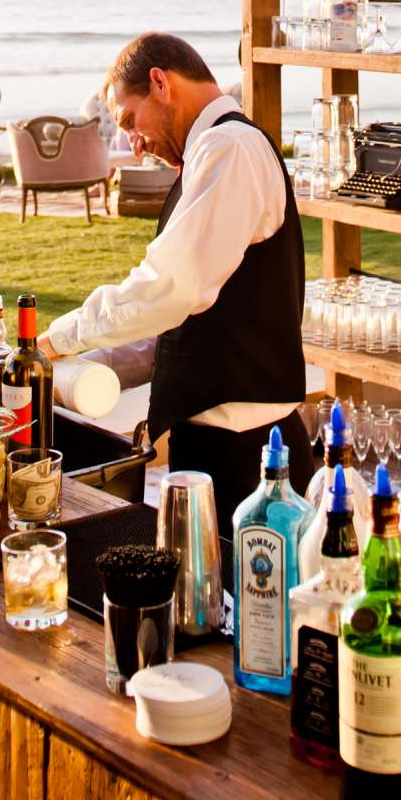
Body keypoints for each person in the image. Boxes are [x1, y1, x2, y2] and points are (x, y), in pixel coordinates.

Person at [39, 32, 311, 525]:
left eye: (129, 121)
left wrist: (61, 338)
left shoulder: (231, 148)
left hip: (250, 462)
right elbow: (179, 327)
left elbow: (169, 288)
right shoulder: (213, 153)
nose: (133, 143)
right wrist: (74, 364)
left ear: (160, 83)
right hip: (215, 453)